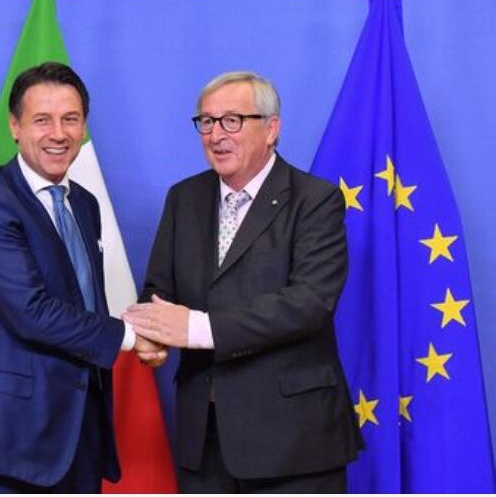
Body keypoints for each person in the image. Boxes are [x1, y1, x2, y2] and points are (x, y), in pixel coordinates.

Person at [124, 71, 362, 493]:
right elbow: (159, 289)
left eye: (232, 121)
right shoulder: (184, 198)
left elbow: (309, 303)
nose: (217, 135)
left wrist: (196, 328)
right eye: (207, 122)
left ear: (271, 129)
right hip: (204, 440)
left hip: (293, 443)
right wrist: (152, 334)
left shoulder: (316, 200)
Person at [0, 62, 165, 493]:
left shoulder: (83, 203)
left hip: (79, 431)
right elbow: (31, 311)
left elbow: (81, 299)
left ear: (84, 127)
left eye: (71, 119)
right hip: (8, 440)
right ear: (15, 127)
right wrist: (132, 336)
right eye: (42, 120)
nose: (59, 134)